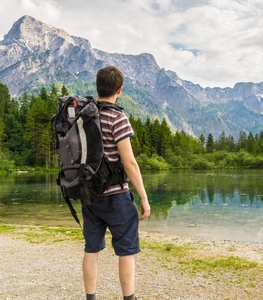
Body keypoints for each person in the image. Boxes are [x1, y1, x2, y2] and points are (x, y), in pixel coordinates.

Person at [82, 65, 151, 300]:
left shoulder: (84, 117)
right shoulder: (117, 117)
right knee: (126, 251)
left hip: (89, 195)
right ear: (119, 90)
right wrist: (143, 196)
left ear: (97, 87)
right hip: (116, 197)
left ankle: (91, 297)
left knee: (91, 248)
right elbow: (129, 163)